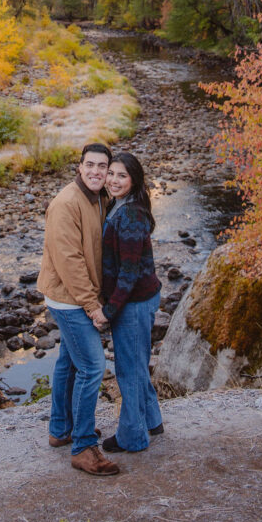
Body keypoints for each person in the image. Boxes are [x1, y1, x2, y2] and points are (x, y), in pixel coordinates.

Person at [37, 142, 120, 476]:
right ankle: (84, 446)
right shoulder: (66, 203)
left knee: (69, 363)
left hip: (76, 295)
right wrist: (92, 305)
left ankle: (60, 429)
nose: (96, 171)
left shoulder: (98, 198)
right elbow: (69, 260)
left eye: (103, 166)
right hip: (67, 299)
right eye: (91, 165)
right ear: (80, 166)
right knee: (92, 366)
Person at [97, 151, 163, 453]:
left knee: (128, 370)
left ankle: (132, 437)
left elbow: (129, 272)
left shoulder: (132, 214)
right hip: (135, 301)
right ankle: (152, 421)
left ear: (134, 180)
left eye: (121, 175)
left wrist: (109, 310)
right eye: (111, 173)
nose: (113, 179)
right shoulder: (118, 205)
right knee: (136, 365)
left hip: (134, 303)